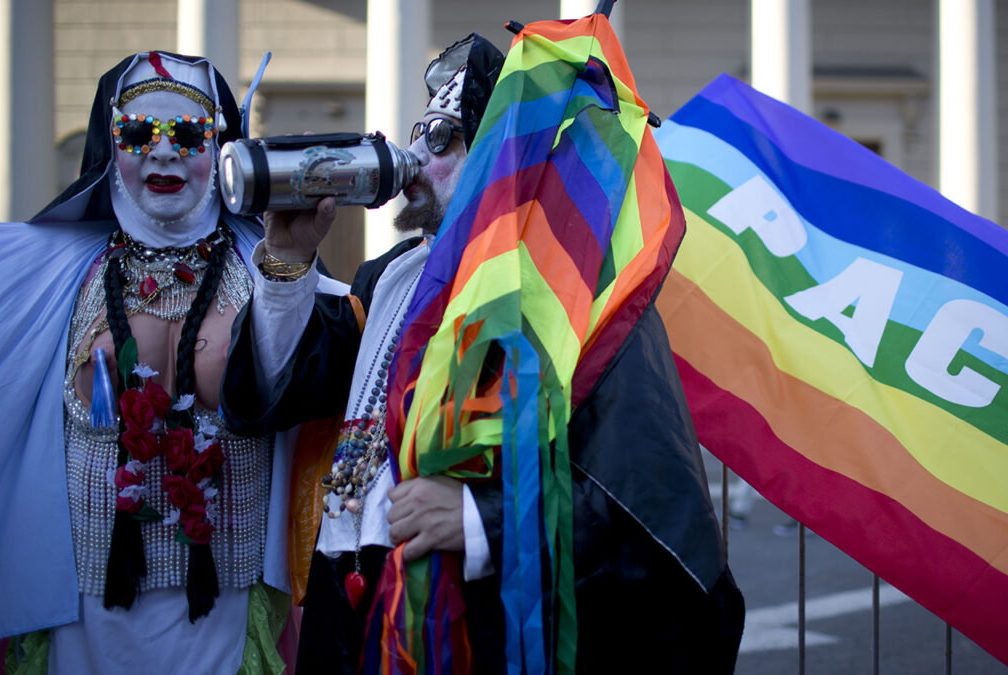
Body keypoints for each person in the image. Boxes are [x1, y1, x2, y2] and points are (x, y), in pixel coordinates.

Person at [221, 33, 745, 673]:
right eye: (419, 130)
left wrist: (478, 520)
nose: (414, 155)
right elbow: (279, 388)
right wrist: (290, 259)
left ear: (504, 155)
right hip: (346, 606)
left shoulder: (570, 299)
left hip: (470, 623)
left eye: (442, 137)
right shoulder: (385, 280)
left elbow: (647, 504)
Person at [0, 51, 333, 673]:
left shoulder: (270, 272)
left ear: (221, 144)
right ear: (108, 145)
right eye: (139, 133)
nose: (163, 154)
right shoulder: (53, 278)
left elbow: (290, 390)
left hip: (223, 604)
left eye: (189, 134)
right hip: (86, 614)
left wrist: (289, 262)